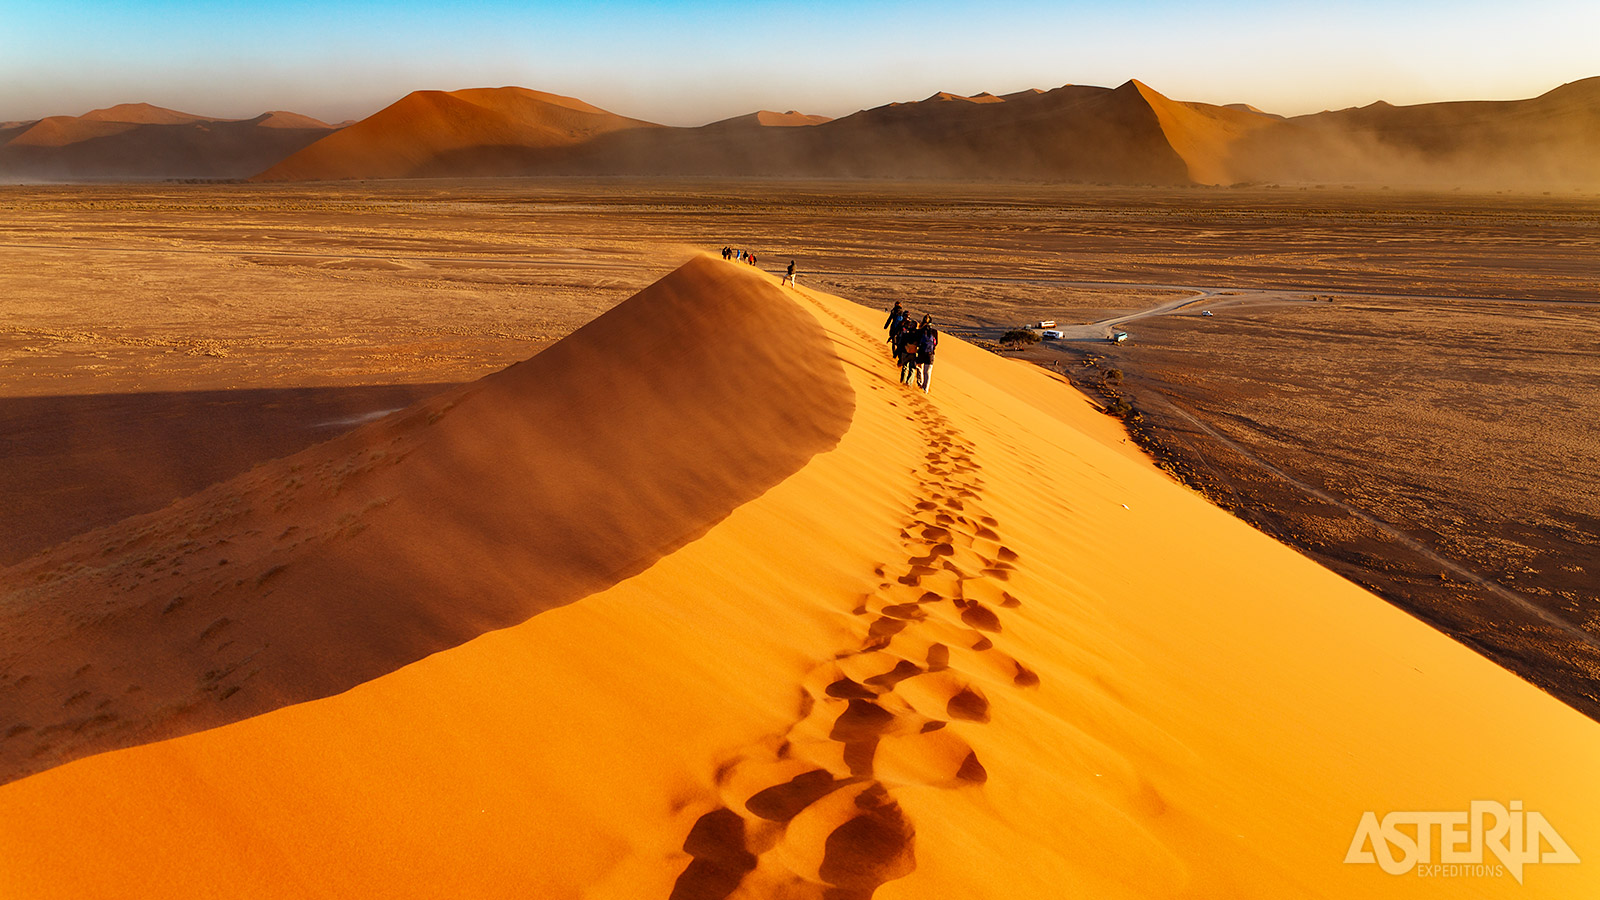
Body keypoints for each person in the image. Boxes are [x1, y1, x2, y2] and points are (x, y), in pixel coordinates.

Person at [913, 314, 938, 392]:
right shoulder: (934, 331)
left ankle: (920, 383)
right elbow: (936, 343)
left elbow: (916, 341)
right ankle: (925, 390)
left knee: (918, 366)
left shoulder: (920, 331)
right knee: (928, 372)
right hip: (930, 354)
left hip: (921, 353)